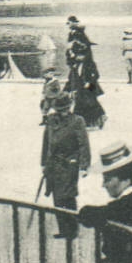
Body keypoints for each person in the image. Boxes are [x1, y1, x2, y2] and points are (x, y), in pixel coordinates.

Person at [40, 90, 92, 237]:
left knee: (67, 195)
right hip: (53, 164)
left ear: (70, 108)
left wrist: (84, 166)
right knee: (56, 196)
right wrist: (44, 162)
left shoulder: (77, 121)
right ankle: (63, 229)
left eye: (65, 110)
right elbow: (46, 142)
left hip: (69, 163)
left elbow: (84, 144)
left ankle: (72, 228)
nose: (62, 113)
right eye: (59, 110)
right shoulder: (51, 120)